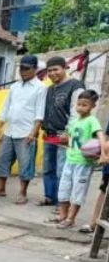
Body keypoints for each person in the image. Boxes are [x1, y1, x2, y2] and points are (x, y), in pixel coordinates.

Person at [0, 55, 47, 204]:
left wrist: (33, 132)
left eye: (27, 69)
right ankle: (0, 188)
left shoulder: (40, 88)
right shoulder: (15, 86)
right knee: (2, 160)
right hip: (10, 130)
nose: (23, 72)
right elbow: (6, 107)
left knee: (26, 163)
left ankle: (22, 192)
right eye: (21, 68)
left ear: (35, 70)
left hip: (26, 132)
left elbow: (40, 113)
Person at [48, 90, 104, 228]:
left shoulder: (92, 120)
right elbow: (71, 139)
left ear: (92, 106)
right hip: (70, 159)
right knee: (64, 188)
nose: (80, 107)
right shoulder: (74, 121)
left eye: (84, 105)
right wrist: (62, 140)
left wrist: (103, 153)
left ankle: (71, 218)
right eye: (78, 104)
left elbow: (101, 135)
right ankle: (62, 215)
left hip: (83, 162)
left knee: (78, 191)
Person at [40, 56, 85, 206]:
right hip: (50, 134)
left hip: (64, 135)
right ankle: (50, 197)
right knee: (48, 169)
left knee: (62, 171)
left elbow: (76, 112)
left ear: (65, 68)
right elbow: (47, 110)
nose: (52, 73)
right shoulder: (50, 89)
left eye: (55, 69)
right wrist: (44, 127)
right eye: (49, 71)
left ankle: (62, 203)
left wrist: (69, 132)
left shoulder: (75, 86)